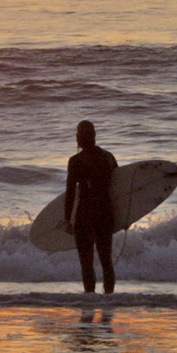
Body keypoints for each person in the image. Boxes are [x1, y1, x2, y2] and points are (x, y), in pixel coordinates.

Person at [63, 119, 118, 294]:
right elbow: (120, 190)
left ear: (78, 138)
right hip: (105, 212)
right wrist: (124, 216)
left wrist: (66, 219)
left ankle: (89, 301)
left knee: (87, 264)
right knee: (106, 261)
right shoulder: (108, 157)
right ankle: (109, 301)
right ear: (94, 136)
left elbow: (71, 192)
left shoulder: (75, 161)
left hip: (85, 215)